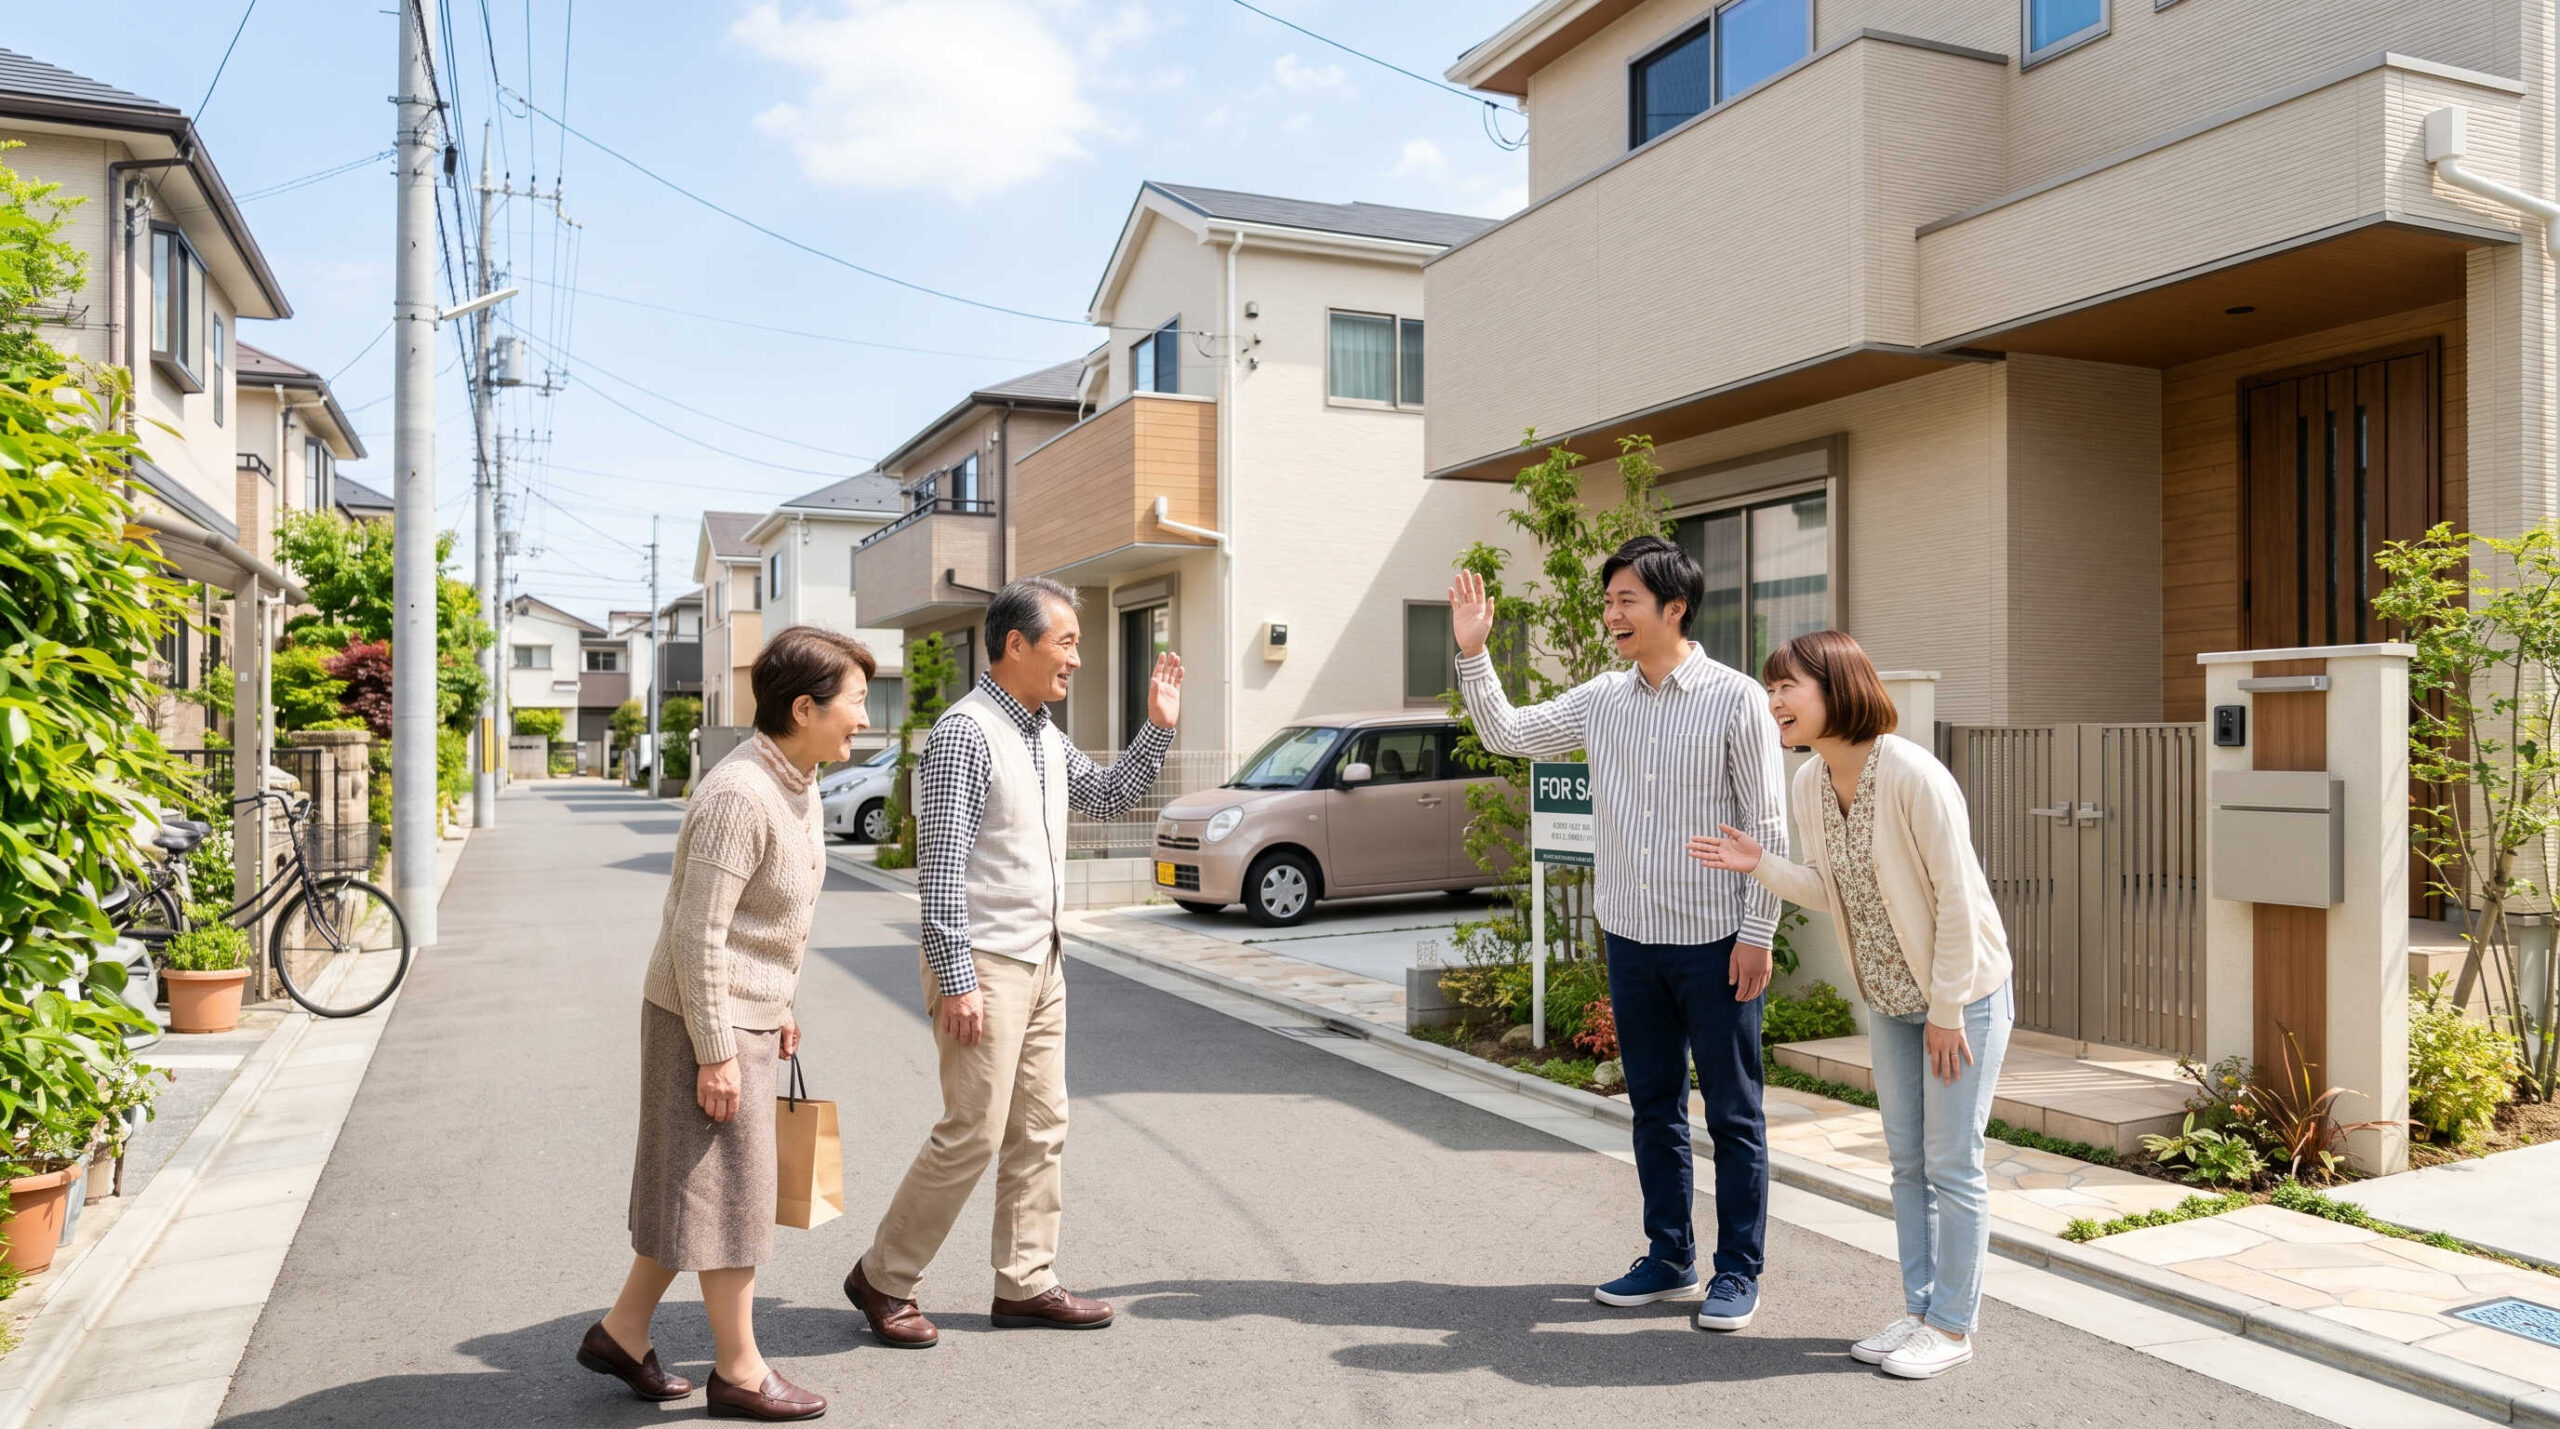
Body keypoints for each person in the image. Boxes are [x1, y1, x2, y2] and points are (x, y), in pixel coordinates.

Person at [1447, 537, 1789, 1333]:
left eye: (1625, 600)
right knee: (1653, 1106)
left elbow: (1767, 825)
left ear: (1675, 607)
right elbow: (1508, 732)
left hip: (1717, 939)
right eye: (1607, 602)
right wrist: (1474, 652)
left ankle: (1738, 1270)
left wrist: (1758, 931)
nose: (1611, 615)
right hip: (1631, 939)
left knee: (1734, 1113)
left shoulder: (1737, 698)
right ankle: (1670, 1257)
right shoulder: (1602, 697)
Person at [844, 577, 1179, 1347]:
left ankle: (1026, 1281)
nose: (1077, 659)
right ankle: (883, 1275)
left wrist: (1158, 728)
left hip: (1041, 958)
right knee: (973, 1129)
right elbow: (940, 870)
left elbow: (1107, 795)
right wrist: (956, 976)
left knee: (1041, 1126)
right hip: (984, 961)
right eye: (1067, 642)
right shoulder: (967, 731)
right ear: (1016, 644)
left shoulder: (1043, 733)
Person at [1688, 629, 2015, 1380]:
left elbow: (1958, 900)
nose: (1774, 701)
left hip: (1961, 998)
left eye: (1787, 687)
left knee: (1953, 1163)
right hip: (1892, 1000)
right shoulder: (1810, 781)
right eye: (1770, 688)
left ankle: (1953, 1326)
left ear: (1837, 689)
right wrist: (1759, 864)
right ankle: (1920, 1312)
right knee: (1907, 1164)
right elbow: (1828, 888)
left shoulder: (1912, 775)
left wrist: (1946, 1010)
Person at [578, 625, 874, 1422]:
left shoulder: (797, 782)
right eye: (855, 700)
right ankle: (739, 1370)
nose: (864, 717)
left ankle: (622, 1331)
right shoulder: (739, 794)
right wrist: (715, 1051)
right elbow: (697, 934)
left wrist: (779, 1005)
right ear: (804, 707)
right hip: (701, 1017)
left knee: (697, 1185)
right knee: (731, 1193)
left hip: (740, 1011)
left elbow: (761, 927)